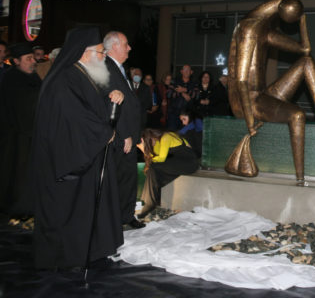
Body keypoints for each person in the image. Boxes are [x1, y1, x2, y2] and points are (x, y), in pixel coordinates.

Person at [31, 26, 124, 269]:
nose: (104, 57)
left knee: (86, 207)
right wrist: (103, 133)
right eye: (101, 52)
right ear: (85, 53)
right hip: (67, 160)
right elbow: (73, 116)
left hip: (85, 154)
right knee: (69, 210)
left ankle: (91, 249)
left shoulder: (83, 75)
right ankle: (67, 255)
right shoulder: (64, 79)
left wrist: (112, 98)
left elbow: (93, 107)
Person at [227, 0, 315, 180]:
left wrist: (302, 21)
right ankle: (300, 178)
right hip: (248, 102)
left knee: (307, 61)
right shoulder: (249, 28)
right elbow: (241, 80)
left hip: (262, 95)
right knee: (297, 115)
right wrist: (250, 123)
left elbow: (304, 50)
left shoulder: (264, 29)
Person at [103, 31, 145, 229]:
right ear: (115, 46)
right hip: (121, 135)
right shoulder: (107, 68)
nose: (129, 48)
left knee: (129, 176)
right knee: (120, 177)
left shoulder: (119, 68)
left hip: (129, 134)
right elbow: (112, 105)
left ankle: (126, 215)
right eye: (126, 44)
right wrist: (125, 133)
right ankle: (115, 218)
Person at [0, 42, 41, 216]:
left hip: (30, 135)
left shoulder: (33, 77)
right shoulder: (12, 79)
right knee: (16, 173)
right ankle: (16, 207)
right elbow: (22, 106)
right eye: (28, 59)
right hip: (15, 137)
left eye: (33, 58)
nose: (33, 62)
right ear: (16, 61)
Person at [137, 128, 198, 218]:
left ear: (150, 138)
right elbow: (154, 159)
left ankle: (149, 204)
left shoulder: (166, 137)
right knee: (153, 171)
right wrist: (144, 150)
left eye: (147, 143)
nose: (150, 146)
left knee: (154, 168)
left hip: (189, 163)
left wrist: (144, 150)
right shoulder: (157, 143)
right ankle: (150, 202)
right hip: (177, 163)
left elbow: (161, 158)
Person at [167, 64, 197, 130]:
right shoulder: (174, 81)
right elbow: (169, 94)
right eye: (185, 69)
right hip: (174, 114)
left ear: (191, 72)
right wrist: (182, 94)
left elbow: (196, 95)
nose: (186, 71)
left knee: (185, 134)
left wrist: (185, 90)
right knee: (172, 133)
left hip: (187, 114)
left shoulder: (194, 83)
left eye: (188, 70)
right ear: (181, 71)